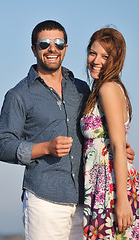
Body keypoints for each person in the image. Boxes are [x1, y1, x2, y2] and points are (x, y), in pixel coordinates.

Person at [0, 20, 134, 240]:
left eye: (59, 43)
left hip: (86, 200)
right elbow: (3, 146)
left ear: (66, 48)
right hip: (44, 200)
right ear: (34, 49)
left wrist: (116, 149)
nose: (52, 48)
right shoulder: (18, 95)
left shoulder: (82, 89)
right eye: (44, 43)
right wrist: (45, 148)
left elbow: (98, 133)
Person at [80, 27, 139, 239]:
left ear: (116, 61)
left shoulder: (107, 89)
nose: (96, 61)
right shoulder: (102, 89)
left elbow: (117, 145)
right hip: (103, 185)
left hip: (112, 187)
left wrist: (121, 201)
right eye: (93, 53)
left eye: (105, 56)